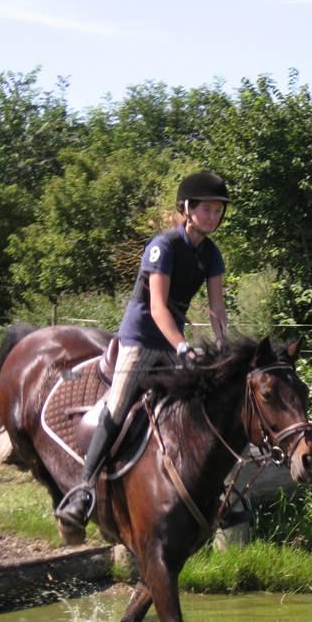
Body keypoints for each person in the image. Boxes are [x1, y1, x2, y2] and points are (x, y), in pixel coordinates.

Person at [55, 170, 230, 534]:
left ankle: (215, 488)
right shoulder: (162, 246)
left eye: (218, 211)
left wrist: (223, 346)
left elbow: (216, 309)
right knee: (119, 403)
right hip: (141, 337)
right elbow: (158, 308)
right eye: (207, 210)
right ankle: (82, 490)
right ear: (188, 208)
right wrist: (181, 347)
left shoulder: (212, 255)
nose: (213, 217)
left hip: (171, 339)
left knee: (199, 402)